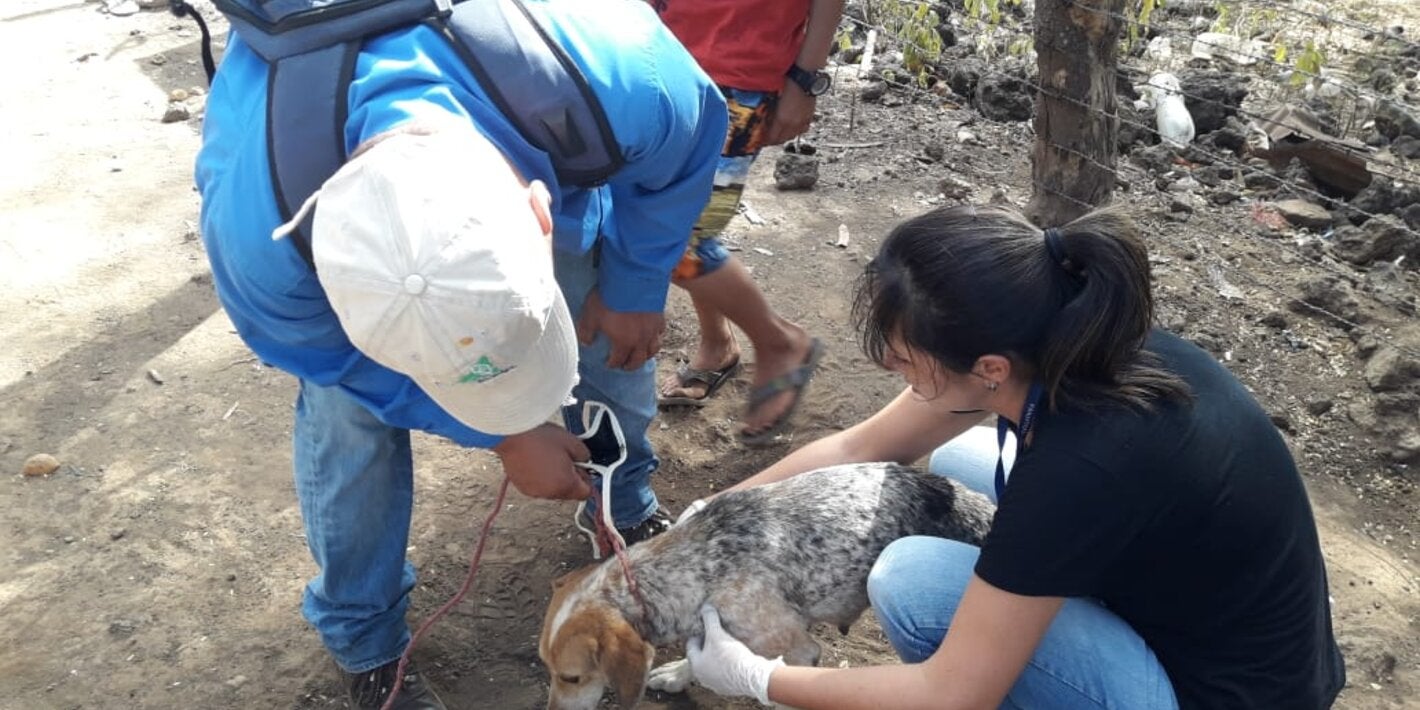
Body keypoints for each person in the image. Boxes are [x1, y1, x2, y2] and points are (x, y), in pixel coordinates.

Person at [193, 0, 728, 706]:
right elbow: (342, 366)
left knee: (605, 330)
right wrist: (503, 431)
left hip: (525, 118)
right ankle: (366, 639)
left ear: (541, 209)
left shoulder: (614, 72)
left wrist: (635, 284)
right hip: (318, 195)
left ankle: (619, 504)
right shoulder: (265, 250)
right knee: (348, 419)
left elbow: (687, 142)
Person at [680, 204, 1346, 709]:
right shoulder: (1066, 343)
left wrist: (762, 679)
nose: (893, 368)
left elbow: (951, 692)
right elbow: (861, 446)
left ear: (989, 367)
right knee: (960, 458)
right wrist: (717, 513)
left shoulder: (1079, 466)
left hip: (1217, 692)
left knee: (910, 582)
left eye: (908, 360)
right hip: (1234, 628)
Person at [652, 0, 845, 444]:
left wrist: (805, 80)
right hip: (654, 54)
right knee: (685, 219)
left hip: (738, 80)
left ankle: (778, 341)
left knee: (680, 240)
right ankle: (718, 344)